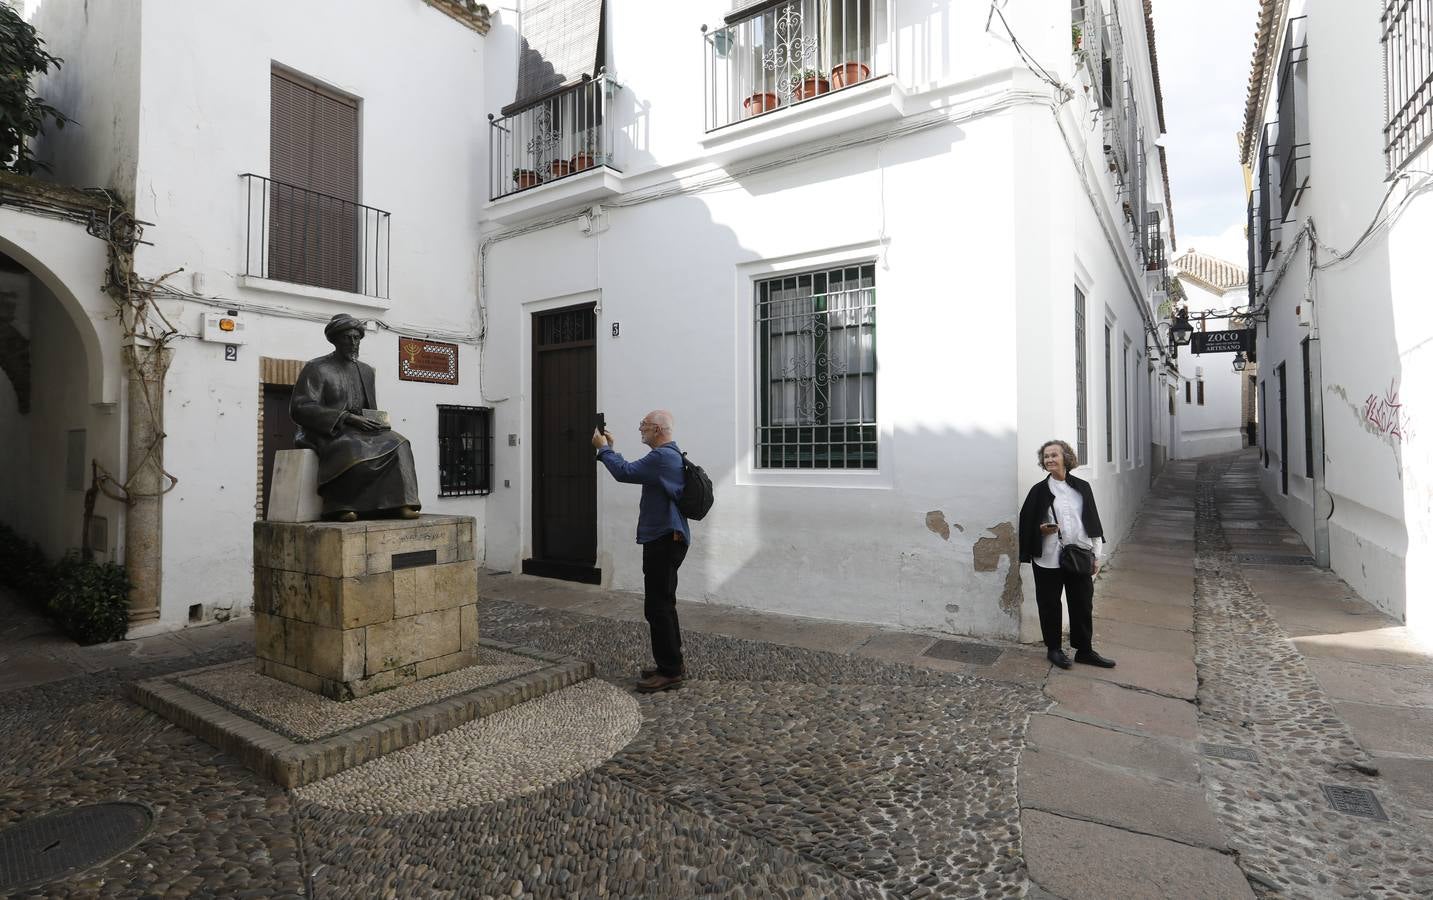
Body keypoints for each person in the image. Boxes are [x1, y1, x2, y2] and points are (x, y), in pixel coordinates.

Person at [591, 409, 691, 693]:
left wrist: (604, 450)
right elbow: (633, 470)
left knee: (657, 606)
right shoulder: (668, 456)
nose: (640, 429)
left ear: (658, 429)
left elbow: (625, 473)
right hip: (667, 537)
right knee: (664, 604)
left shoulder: (661, 457)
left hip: (663, 539)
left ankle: (670, 672)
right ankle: (672, 664)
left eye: (644, 425)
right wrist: (610, 450)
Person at [290, 314, 421, 522]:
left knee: (399, 443)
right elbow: (300, 407)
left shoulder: (366, 371)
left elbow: (369, 408)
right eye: (347, 338)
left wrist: (377, 422)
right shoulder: (317, 368)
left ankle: (400, 502)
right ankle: (339, 505)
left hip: (360, 429)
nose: (353, 343)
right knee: (351, 447)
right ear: (335, 340)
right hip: (328, 430)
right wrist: (346, 418)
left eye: (356, 338)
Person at [1018, 439, 1116, 670]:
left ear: (1066, 458)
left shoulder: (1082, 488)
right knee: (1050, 604)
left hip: (1079, 556)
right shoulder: (1038, 491)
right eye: (1046, 456)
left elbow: (1092, 521)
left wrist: (1096, 555)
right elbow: (1025, 524)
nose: (1049, 459)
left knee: (1082, 603)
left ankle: (1084, 650)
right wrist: (1040, 530)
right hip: (1048, 558)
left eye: (1054, 455)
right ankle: (1054, 649)